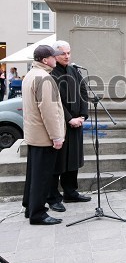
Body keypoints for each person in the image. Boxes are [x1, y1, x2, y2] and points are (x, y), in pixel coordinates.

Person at [22, 45, 66, 225]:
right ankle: (38, 213)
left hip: (34, 134)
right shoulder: (44, 78)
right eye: (54, 57)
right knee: (41, 176)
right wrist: (57, 136)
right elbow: (48, 111)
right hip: (43, 137)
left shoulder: (30, 75)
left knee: (33, 174)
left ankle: (29, 206)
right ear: (45, 60)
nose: (56, 59)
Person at [46, 40, 91, 214]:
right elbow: (54, 101)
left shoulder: (74, 70)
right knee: (57, 163)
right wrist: (69, 118)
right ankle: (53, 197)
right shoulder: (51, 74)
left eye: (69, 53)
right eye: (63, 53)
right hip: (60, 124)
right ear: (55, 56)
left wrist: (82, 115)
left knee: (73, 160)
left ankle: (70, 192)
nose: (67, 56)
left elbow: (83, 92)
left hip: (76, 123)